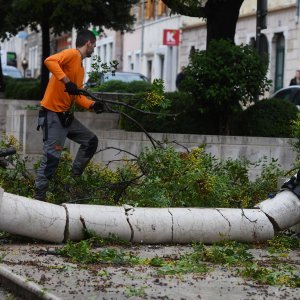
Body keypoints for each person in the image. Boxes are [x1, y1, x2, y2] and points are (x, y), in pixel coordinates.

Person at [34, 29, 104, 201]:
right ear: (88, 43)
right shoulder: (72, 54)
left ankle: (71, 183)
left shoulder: (80, 67)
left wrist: (92, 104)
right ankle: (38, 199)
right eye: (94, 45)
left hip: (66, 116)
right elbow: (49, 61)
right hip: (53, 114)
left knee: (90, 141)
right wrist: (66, 81)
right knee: (51, 158)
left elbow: (77, 96)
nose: (94, 48)